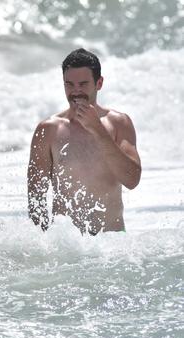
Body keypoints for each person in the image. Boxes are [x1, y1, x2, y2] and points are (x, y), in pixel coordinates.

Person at [27, 48, 141, 235]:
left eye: (83, 84)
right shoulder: (48, 130)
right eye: (69, 84)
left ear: (99, 83)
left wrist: (97, 129)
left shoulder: (119, 123)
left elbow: (132, 179)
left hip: (112, 244)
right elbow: (36, 200)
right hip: (68, 249)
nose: (76, 91)